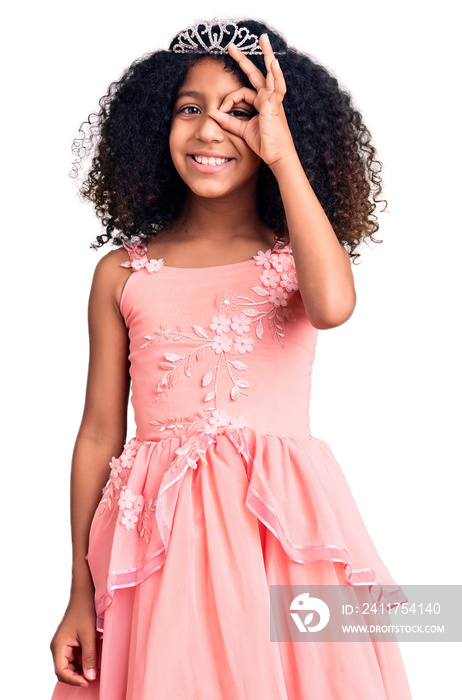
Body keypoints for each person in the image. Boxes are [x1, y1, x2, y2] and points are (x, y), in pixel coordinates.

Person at [50, 18, 413, 699]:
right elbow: (100, 432)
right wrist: (78, 587)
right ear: (158, 124)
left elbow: (334, 306)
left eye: (240, 111)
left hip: (281, 537)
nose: (211, 130)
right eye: (191, 108)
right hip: (155, 544)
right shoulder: (122, 273)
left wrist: (281, 155)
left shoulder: (295, 262)